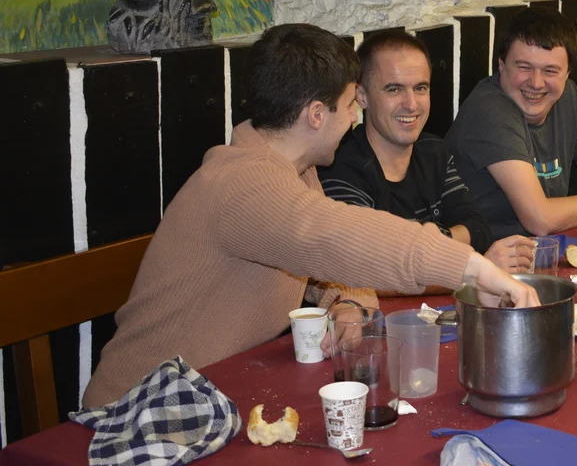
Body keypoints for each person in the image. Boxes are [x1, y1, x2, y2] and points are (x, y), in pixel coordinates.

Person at [82, 24, 539, 408]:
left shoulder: (296, 171)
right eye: (350, 105)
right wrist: (476, 270)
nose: (354, 118)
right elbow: (340, 238)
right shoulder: (243, 184)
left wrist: (346, 304)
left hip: (214, 397)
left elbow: (328, 268)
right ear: (317, 114)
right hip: (137, 414)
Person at [318, 32, 536, 287]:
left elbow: (478, 229)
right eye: (394, 89)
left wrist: (423, 250)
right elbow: (364, 273)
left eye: (420, 88)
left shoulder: (432, 150)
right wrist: (467, 271)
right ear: (362, 96)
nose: (411, 104)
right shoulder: (340, 167)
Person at [446, 7, 577, 240]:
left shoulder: (569, 97)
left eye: (550, 71)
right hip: (484, 255)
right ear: (501, 64)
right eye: (524, 67)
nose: (536, 83)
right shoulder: (489, 110)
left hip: (542, 248)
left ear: (567, 73)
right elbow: (540, 220)